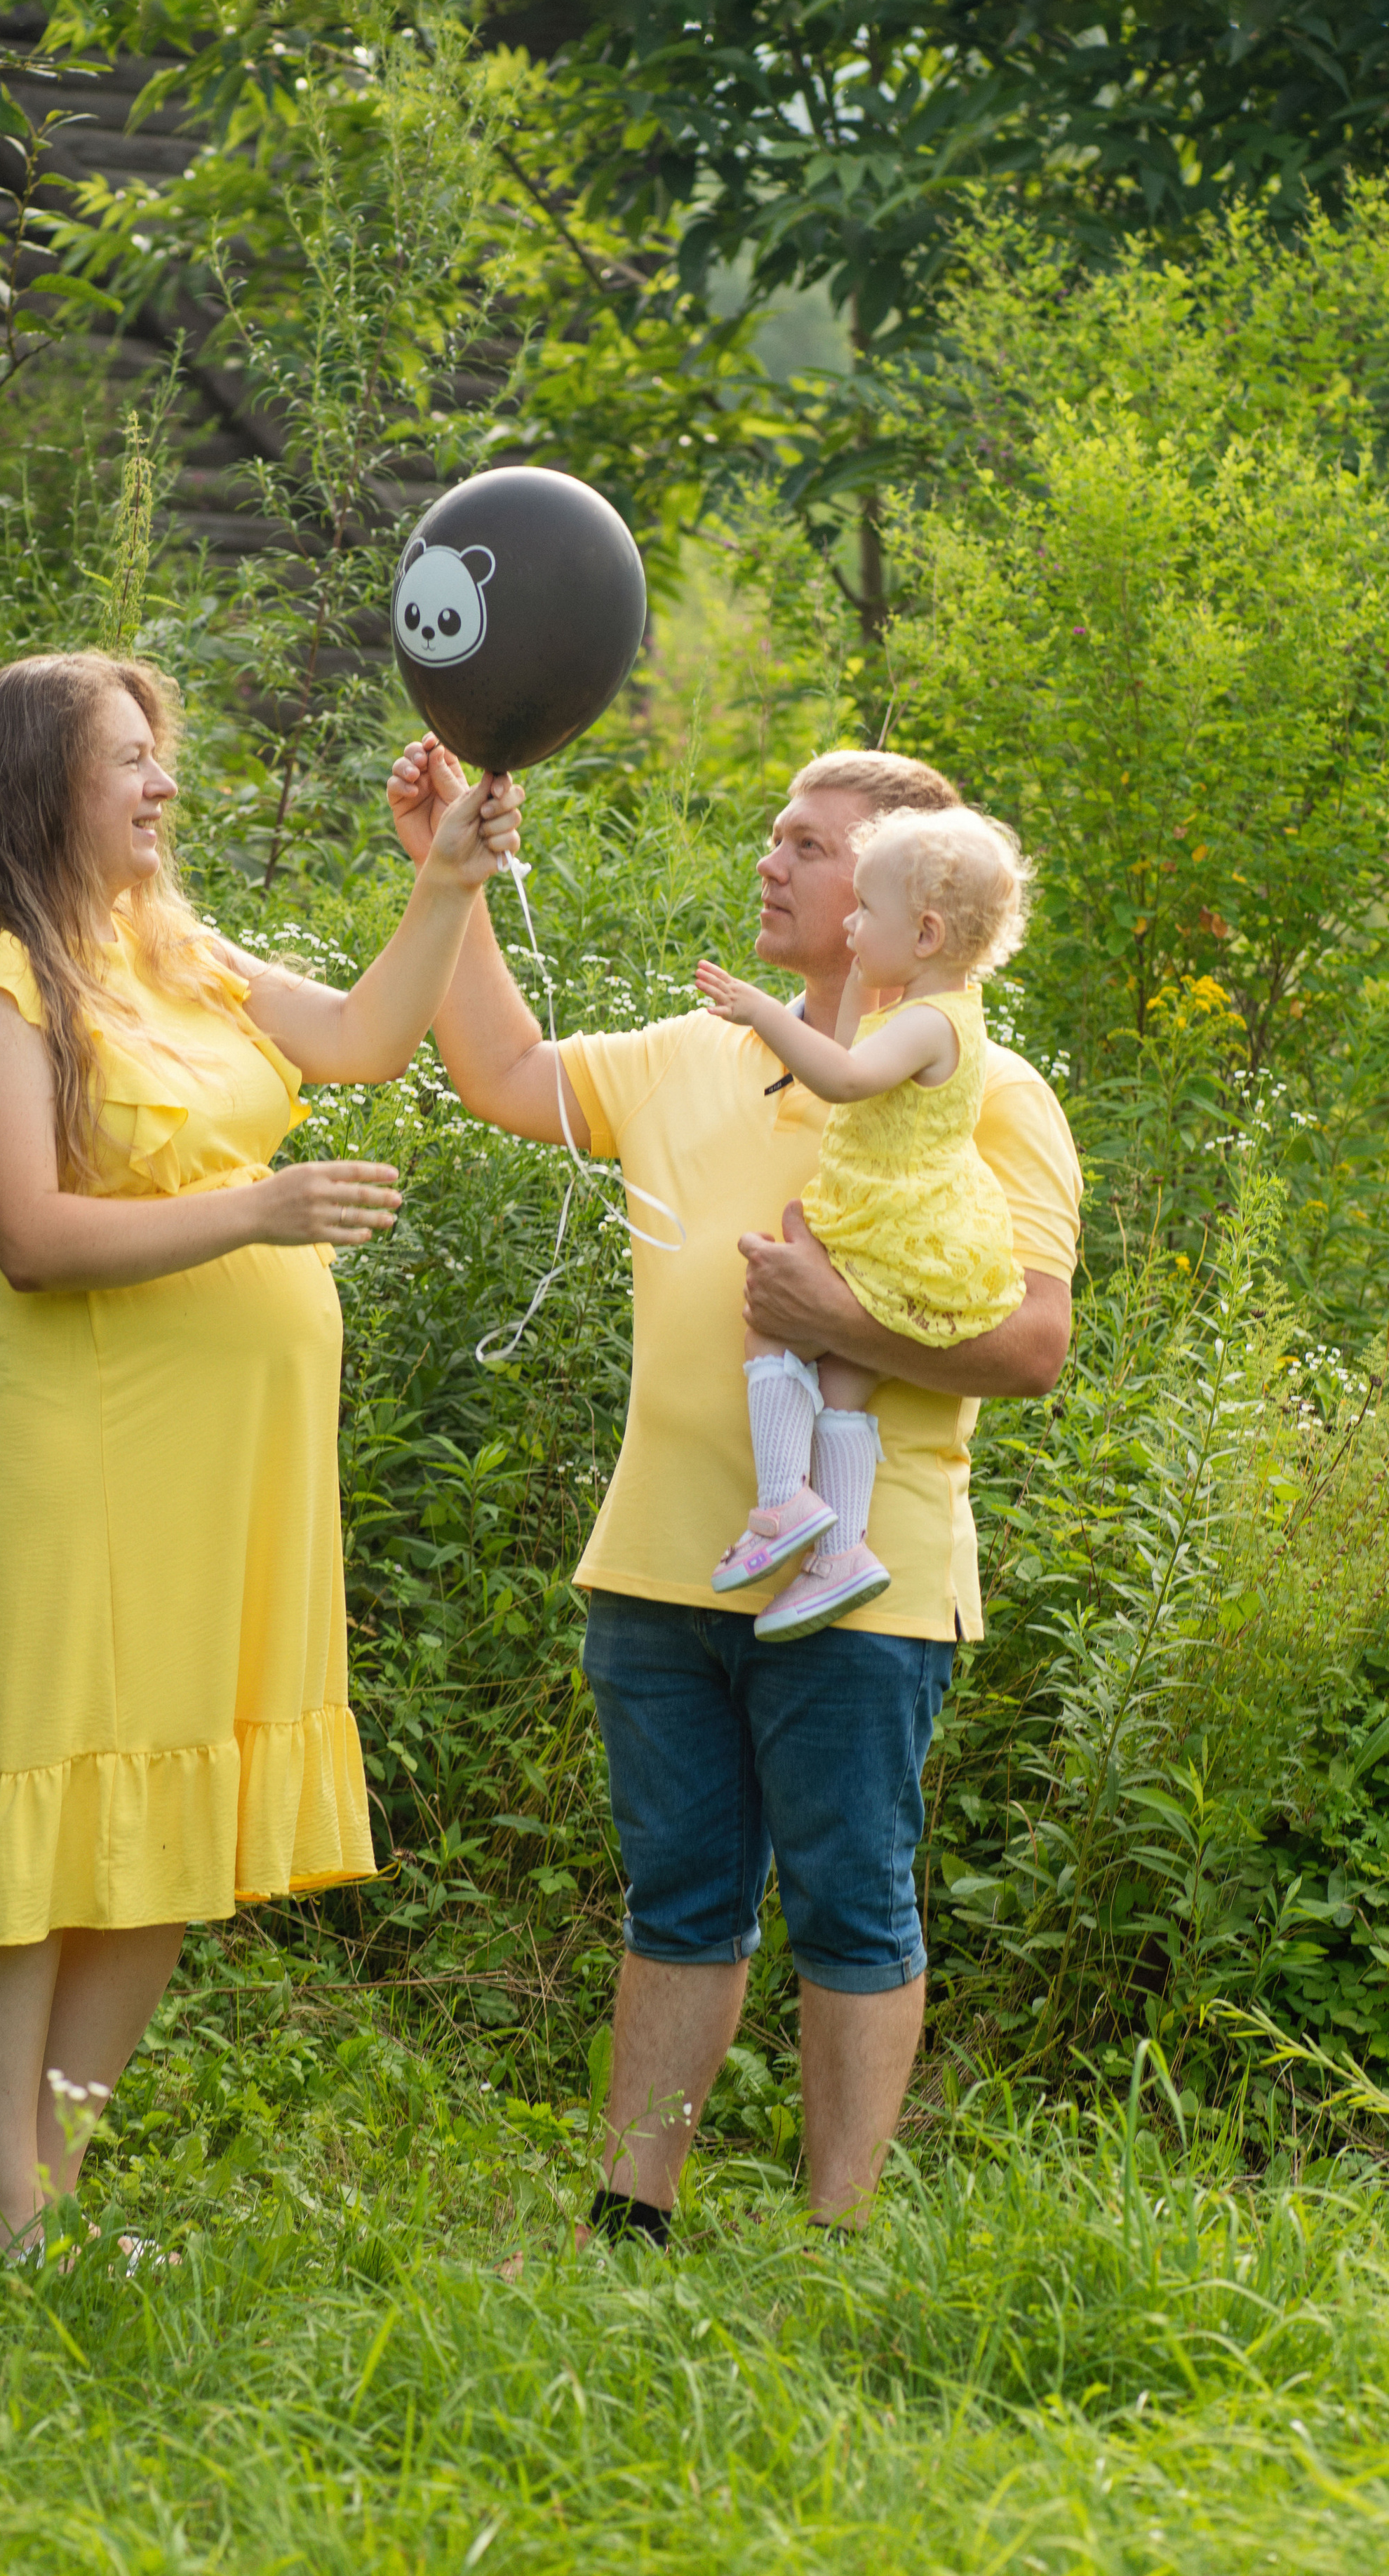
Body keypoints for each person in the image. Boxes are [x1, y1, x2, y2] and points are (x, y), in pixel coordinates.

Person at [0, 652, 522, 2256]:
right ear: (43, 786)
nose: (162, 785)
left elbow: (364, 1038)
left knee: (154, 1823)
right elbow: (32, 1232)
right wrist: (262, 1206)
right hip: (81, 1446)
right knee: (31, 1809)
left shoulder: (171, 946)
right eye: (129, 761)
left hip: (226, 1460)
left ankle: (60, 2202)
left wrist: (443, 882)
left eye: (162, 757)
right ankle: (1, 2217)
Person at [386, 737, 1080, 2236]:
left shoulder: (985, 1087)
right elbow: (500, 1073)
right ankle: (631, 2213)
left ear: (906, 898)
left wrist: (842, 1328)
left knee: (848, 1897)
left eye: (809, 847)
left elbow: (1031, 1344)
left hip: (864, 1577)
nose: (770, 860)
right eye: (772, 834)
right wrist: (453, 877)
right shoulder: (688, 1054)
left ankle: (834, 2232)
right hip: (657, 1566)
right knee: (679, 1897)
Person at [695, 802, 1033, 1639]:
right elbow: (851, 1044)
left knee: (772, 1325)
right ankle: (840, 1550)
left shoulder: (927, 1022)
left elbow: (840, 1078)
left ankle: (781, 1504)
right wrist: (853, 972)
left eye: (864, 910)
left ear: (923, 934)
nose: (848, 922)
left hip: (886, 1221)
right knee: (845, 1380)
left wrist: (762, 1012)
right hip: (898, 1220)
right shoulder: (926, 1010)